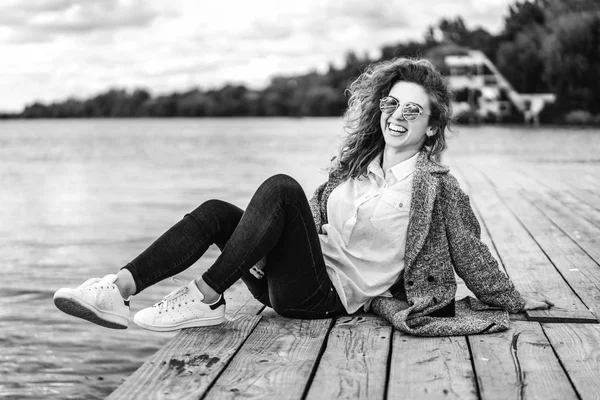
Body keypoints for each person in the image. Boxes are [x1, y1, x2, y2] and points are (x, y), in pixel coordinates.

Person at [53, 58, 553, 333]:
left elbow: (470, 252)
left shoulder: (437, 189)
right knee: (215, 213)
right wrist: (261, 244)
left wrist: (516, 302)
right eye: (391, 102)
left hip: (324, 298)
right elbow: (305, 224)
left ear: (431, 126)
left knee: (279, 188)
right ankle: (114, 291)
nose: (397, 115)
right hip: (283, 281)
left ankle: (204, 298)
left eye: (413, 111)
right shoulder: (352, 170)